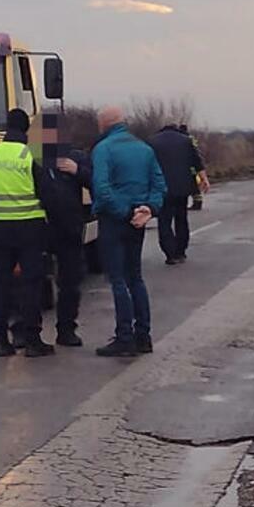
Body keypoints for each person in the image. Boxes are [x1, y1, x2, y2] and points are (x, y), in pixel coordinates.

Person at [0, 109, 54, 357]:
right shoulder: (30, 156)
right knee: (30, 283)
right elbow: (48, 194)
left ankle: (1, 341)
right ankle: (31, 340)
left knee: (0, 284)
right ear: (26, 130)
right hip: (29, 228)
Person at [91, 106, 166, 356]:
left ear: (104, 124)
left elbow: (101, 188)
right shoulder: (144, 149)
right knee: (136, 276)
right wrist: (148, 208)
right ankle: (143, 336)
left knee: (118, 279)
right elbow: (159, 184)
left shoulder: (103, 149)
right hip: (139, 220)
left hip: (115, 220)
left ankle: (124, 337)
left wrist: (123, 212)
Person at [37, 142, 92, 347]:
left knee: (70, 282)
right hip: (40, 227)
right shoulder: (30, 157)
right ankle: (28, 332)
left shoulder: (74, 157)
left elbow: (96, 181)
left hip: (68, 229)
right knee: (32, 281)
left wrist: (78, 171)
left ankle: (66, 329)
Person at [149, 123, 208, 264]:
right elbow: (197, 162)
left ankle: (170, 253)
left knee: (164, 221)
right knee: (181, 218)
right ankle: (181, 251)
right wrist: (204, 179)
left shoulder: (152, 141)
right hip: (183, 187)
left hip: (162, 187)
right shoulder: (186, 140)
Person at [179, 125, 206, 211]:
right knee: (195, 185)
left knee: (193, 185)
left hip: (189, 166)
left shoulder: (184, 139)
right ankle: (197, 202)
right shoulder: (191, 138)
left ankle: (197, 204)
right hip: (194, 165)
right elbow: (196, 152)